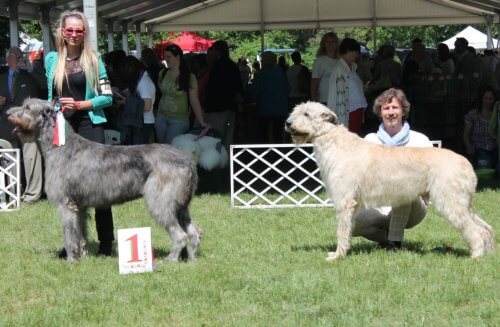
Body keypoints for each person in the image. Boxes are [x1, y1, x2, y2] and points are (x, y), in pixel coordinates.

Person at [45, 10, 114, 256]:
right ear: (62, 32)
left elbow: (107, 97)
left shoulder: (94, 60)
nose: (74, 35)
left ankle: (106, 245)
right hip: (63, 129)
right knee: (67, 193)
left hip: (90, 128)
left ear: (84, 33)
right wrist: (56, 107)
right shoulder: (51, 60)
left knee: (100, 190)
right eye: (69, 30)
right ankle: (73, 245)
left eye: (79, 30)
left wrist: (82, 104)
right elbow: (51, 98)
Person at [353, 88, 433, 249]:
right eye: (386, 108)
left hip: (413, 206)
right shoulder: (370, 140)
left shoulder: (420, 140)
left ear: (403, 111)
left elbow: (432, 178)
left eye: (395, 108)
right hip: (379, 204)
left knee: (402, 186)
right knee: (352, 224)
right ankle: (388, 239)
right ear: (380, 113)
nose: (390, 112)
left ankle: (395, 243)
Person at [0, 46, 42, 204]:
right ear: (7, 58)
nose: (18, 57)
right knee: (9, 159)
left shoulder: (30, 75)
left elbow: (44, 84)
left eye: (20, 55)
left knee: (31, 158)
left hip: (28, 124)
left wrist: (30, 67)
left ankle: (32, 195)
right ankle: (12, 193)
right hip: (6, 124)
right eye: (15, 55)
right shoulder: (1, 77)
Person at [155, 44, 210, 144]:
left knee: (172, 148)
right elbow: (161, 91)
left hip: (179, 120)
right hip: (161, 117)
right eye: (165, 57)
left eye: (169, 57)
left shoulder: (189, 77)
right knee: (162, 148)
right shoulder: (162, 73)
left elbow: (194, 100)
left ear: (178, 57)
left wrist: (201, 121)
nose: (166, 59)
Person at [204, 40, 243, 147]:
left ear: (217, 51)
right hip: (230, 105)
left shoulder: (217, 66)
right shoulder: (232, 65)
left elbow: (212, 87)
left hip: (217, 106)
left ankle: (217, 159)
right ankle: (227, 159)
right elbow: (238, 86)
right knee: (228, 135)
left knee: (217, 134)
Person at [326, 38, 367, 134]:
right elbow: (333, 95)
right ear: (348, 51)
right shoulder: (339, 70)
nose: (357, 55)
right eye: (356, 52)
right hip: (348, 113)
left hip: (356, 110)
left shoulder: (352, 68)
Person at [250, 51, 291, 144]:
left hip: (264, 108)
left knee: (263, 134)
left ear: (264, 61)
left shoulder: (260, 74)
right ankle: (278, 153)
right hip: (280, 108)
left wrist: (253, 99)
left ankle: (265, 153)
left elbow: (255, 93)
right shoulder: (281, 73)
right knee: (278, 133)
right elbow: (288, 89)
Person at [121, 55, 156, 145]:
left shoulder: (144, 82)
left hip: (144, 123)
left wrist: (126, 102)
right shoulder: (141, 79)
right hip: (141, 122)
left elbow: (147, 106)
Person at [463, 87, 498, 169]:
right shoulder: (473, 115)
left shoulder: (497, 114)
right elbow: (466, 135)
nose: (488, 101)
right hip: (479, 150)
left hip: (495, 150)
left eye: (491, 99)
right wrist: (469, 147)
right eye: (485, 99)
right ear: (481, 99)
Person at [311, 32, 339, 104]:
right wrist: (316, 104)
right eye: (328, 42)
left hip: (340, 100)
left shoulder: (341, 61)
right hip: (325, 100)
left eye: (333, 41)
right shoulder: (319, 61)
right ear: (323, 44)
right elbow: (314, 86)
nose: (330, 44)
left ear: (336, 44)